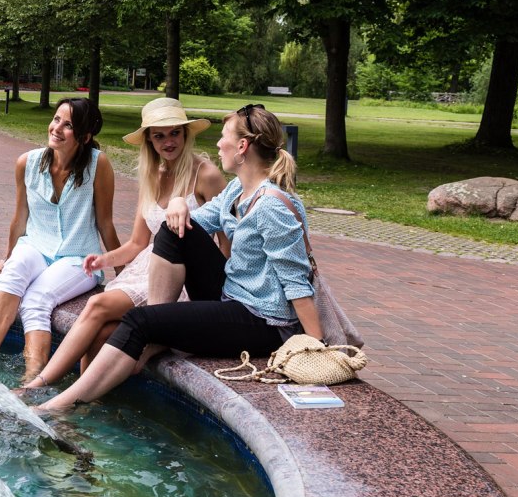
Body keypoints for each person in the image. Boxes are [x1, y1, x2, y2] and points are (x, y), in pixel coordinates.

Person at [34, 103, 319, 414]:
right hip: (232, 294)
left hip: (264, 320)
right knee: (172, 230)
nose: (218, 144)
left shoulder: (272, 206)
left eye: (223, 137)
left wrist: (316, 349)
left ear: (242, 147)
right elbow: (193, 225)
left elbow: (297, 283)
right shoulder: (238, 189)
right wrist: (179, 205)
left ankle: (57, 406)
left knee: (139, 322)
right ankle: (153, 333)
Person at [18, 98, 223, 389]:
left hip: (186, 279)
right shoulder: (153, 175)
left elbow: (226, 245)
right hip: (148, 266)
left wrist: (214, 298)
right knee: (104, 333)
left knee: (98, 304)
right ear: (149, 141)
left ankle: (39, 384)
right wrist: (103, 260)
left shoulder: (207, 175)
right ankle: (82, 408)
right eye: (159, 135)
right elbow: (138, 243)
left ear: (186, 134)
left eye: (175, 132)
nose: (168, 142)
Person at [0, 97, 121, 384]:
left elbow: (105, 222)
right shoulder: (27, 163)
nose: (57, 128)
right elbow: (20, 218)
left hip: (79, 257)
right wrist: (7, 257)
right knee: (13, 274)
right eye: (56, 119)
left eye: (68, 125)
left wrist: (123, 272)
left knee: (36, 300)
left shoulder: (98, 165)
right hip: (36, 246)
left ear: (84, 136)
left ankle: (31, 379)